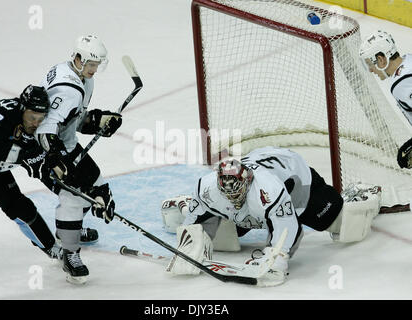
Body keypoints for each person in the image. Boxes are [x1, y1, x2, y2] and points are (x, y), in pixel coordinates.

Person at [161, 146, 381, 286]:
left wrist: (276, 257)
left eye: (237, 192)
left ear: (248, 181)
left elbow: (290, 229)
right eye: (227, 193)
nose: (233, 198)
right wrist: (187, 246)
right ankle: (184, 203)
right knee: (224, 234)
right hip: (256, 201)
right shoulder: (207, 188)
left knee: (337, 224)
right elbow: (195, 222)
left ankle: (359, 195)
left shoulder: (267, 189)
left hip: (296, 182)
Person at [33, 34, 122, 284]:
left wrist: (98, 121)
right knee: (73, 194)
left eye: (97, 65)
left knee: (97, 185)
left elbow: (72, 119)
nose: (94, 69)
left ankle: (69, 229)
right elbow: (44, 131)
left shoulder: (80, 77)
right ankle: (69, 253)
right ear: (78, 58)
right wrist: (57, 161)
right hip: (44, 150)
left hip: (64, 144)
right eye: (91, 64)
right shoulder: (68, 87)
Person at [0, 84, 62, 259]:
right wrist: (25, 156)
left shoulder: (39, 129)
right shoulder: (3, 110)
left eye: (40, 118)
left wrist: (63, 191)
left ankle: (53, 249)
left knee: (21, 208)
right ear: (22, 108)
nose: (36, 123)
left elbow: (40, 167)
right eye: (32, 117)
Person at [359, 30, 412, 168]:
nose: (371, 70)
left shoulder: (401, 84)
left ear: (382, 59)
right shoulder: (409, 60)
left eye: (370, 63)